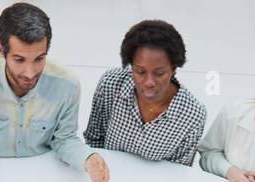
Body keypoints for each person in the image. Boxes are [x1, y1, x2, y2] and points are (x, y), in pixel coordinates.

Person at [0, 3, 110, 182]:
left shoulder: (67, 85)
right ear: (1, 50)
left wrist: (88, 157)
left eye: (39, 59)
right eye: (19, 60)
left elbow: (65, 140)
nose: (30, 72)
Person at [82, 19, 206, 167]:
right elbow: (94, 141)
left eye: (159, 73)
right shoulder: (111, 84)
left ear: (173, 68)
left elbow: (178, 171)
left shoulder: (192, 115)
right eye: (140, 72)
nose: (149, 82)